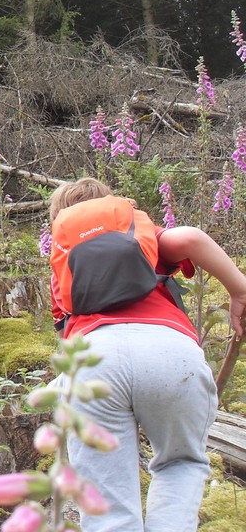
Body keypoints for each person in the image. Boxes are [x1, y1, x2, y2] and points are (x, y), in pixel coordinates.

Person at [48, 177, 246, 532]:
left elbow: (66, 336)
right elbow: (191, 238)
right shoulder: (138, 237)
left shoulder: (64, 265)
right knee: (180, 463)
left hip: (92, 359)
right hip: (170, 352)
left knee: (106, 506)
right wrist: (239, 291)